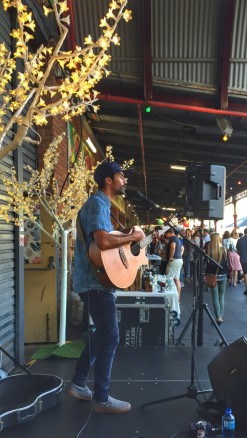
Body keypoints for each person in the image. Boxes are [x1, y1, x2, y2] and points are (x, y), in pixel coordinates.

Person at [67, 160, 145, 413]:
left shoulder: (101, 205)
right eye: (121, 176)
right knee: (110, 336)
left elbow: (107, 239)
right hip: (94, 283)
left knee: (101, 334)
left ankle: (79, 382)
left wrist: (126, 236)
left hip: (94, 282)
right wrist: (133, 236)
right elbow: (101, 240)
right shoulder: (98, 202)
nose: (125, 180)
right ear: (108, 180)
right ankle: (102, 398)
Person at [205, 232, 228, 324]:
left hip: (211, 274)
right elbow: (225, 263)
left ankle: (218, 317)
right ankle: (220, 316)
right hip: (223, 274)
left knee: (215, 297)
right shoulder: (223, 249)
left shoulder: (208, 249)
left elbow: (207, 264)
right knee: (221, 296)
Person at [165, 228, 184, 300]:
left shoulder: (172, 238)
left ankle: (170, 299)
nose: (165, 235)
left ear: (169, 233)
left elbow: (173, 247)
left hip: (174, 261)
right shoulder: (177, 238)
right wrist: (180, 255)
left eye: (166, 234)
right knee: (177, 279)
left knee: (169, 279)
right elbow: (182, 248)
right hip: (179, 260)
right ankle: (178, 298)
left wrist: (170, 257)